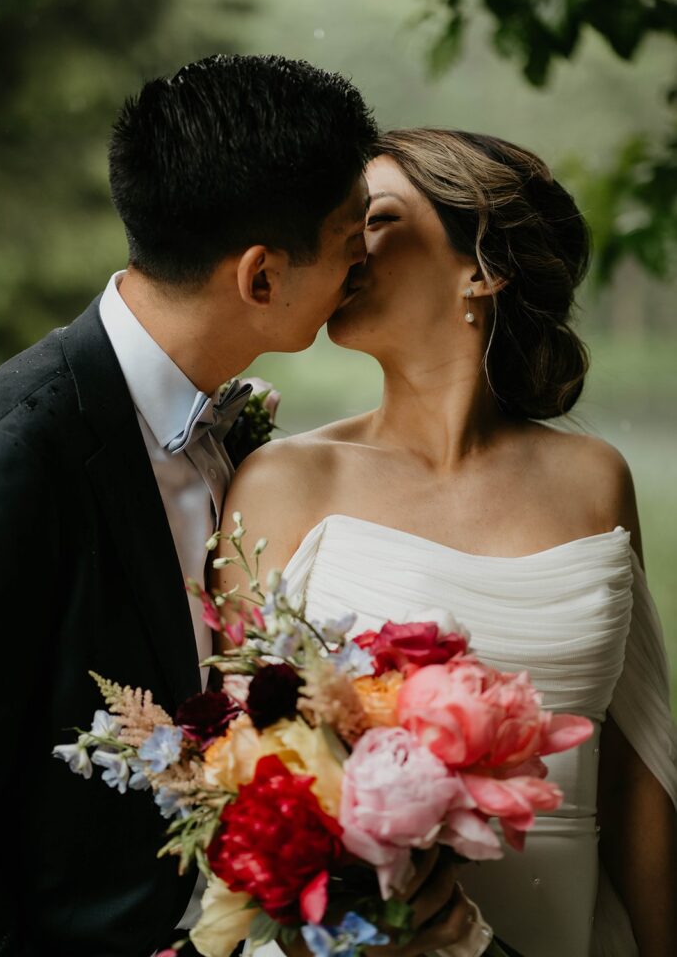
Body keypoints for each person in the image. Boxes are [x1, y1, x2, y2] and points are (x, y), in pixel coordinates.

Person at [222, 129, 677, 957]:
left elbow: (635, 771)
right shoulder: (283, 481)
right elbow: (234, 770)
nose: (344, 247)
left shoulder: (592, 480)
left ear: (483, 267)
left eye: (378, 218)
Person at [0, 53, 378, 956]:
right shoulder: (19, 456)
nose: (360, 273)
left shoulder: (234, 434)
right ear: (260, 279)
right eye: (350, 249)